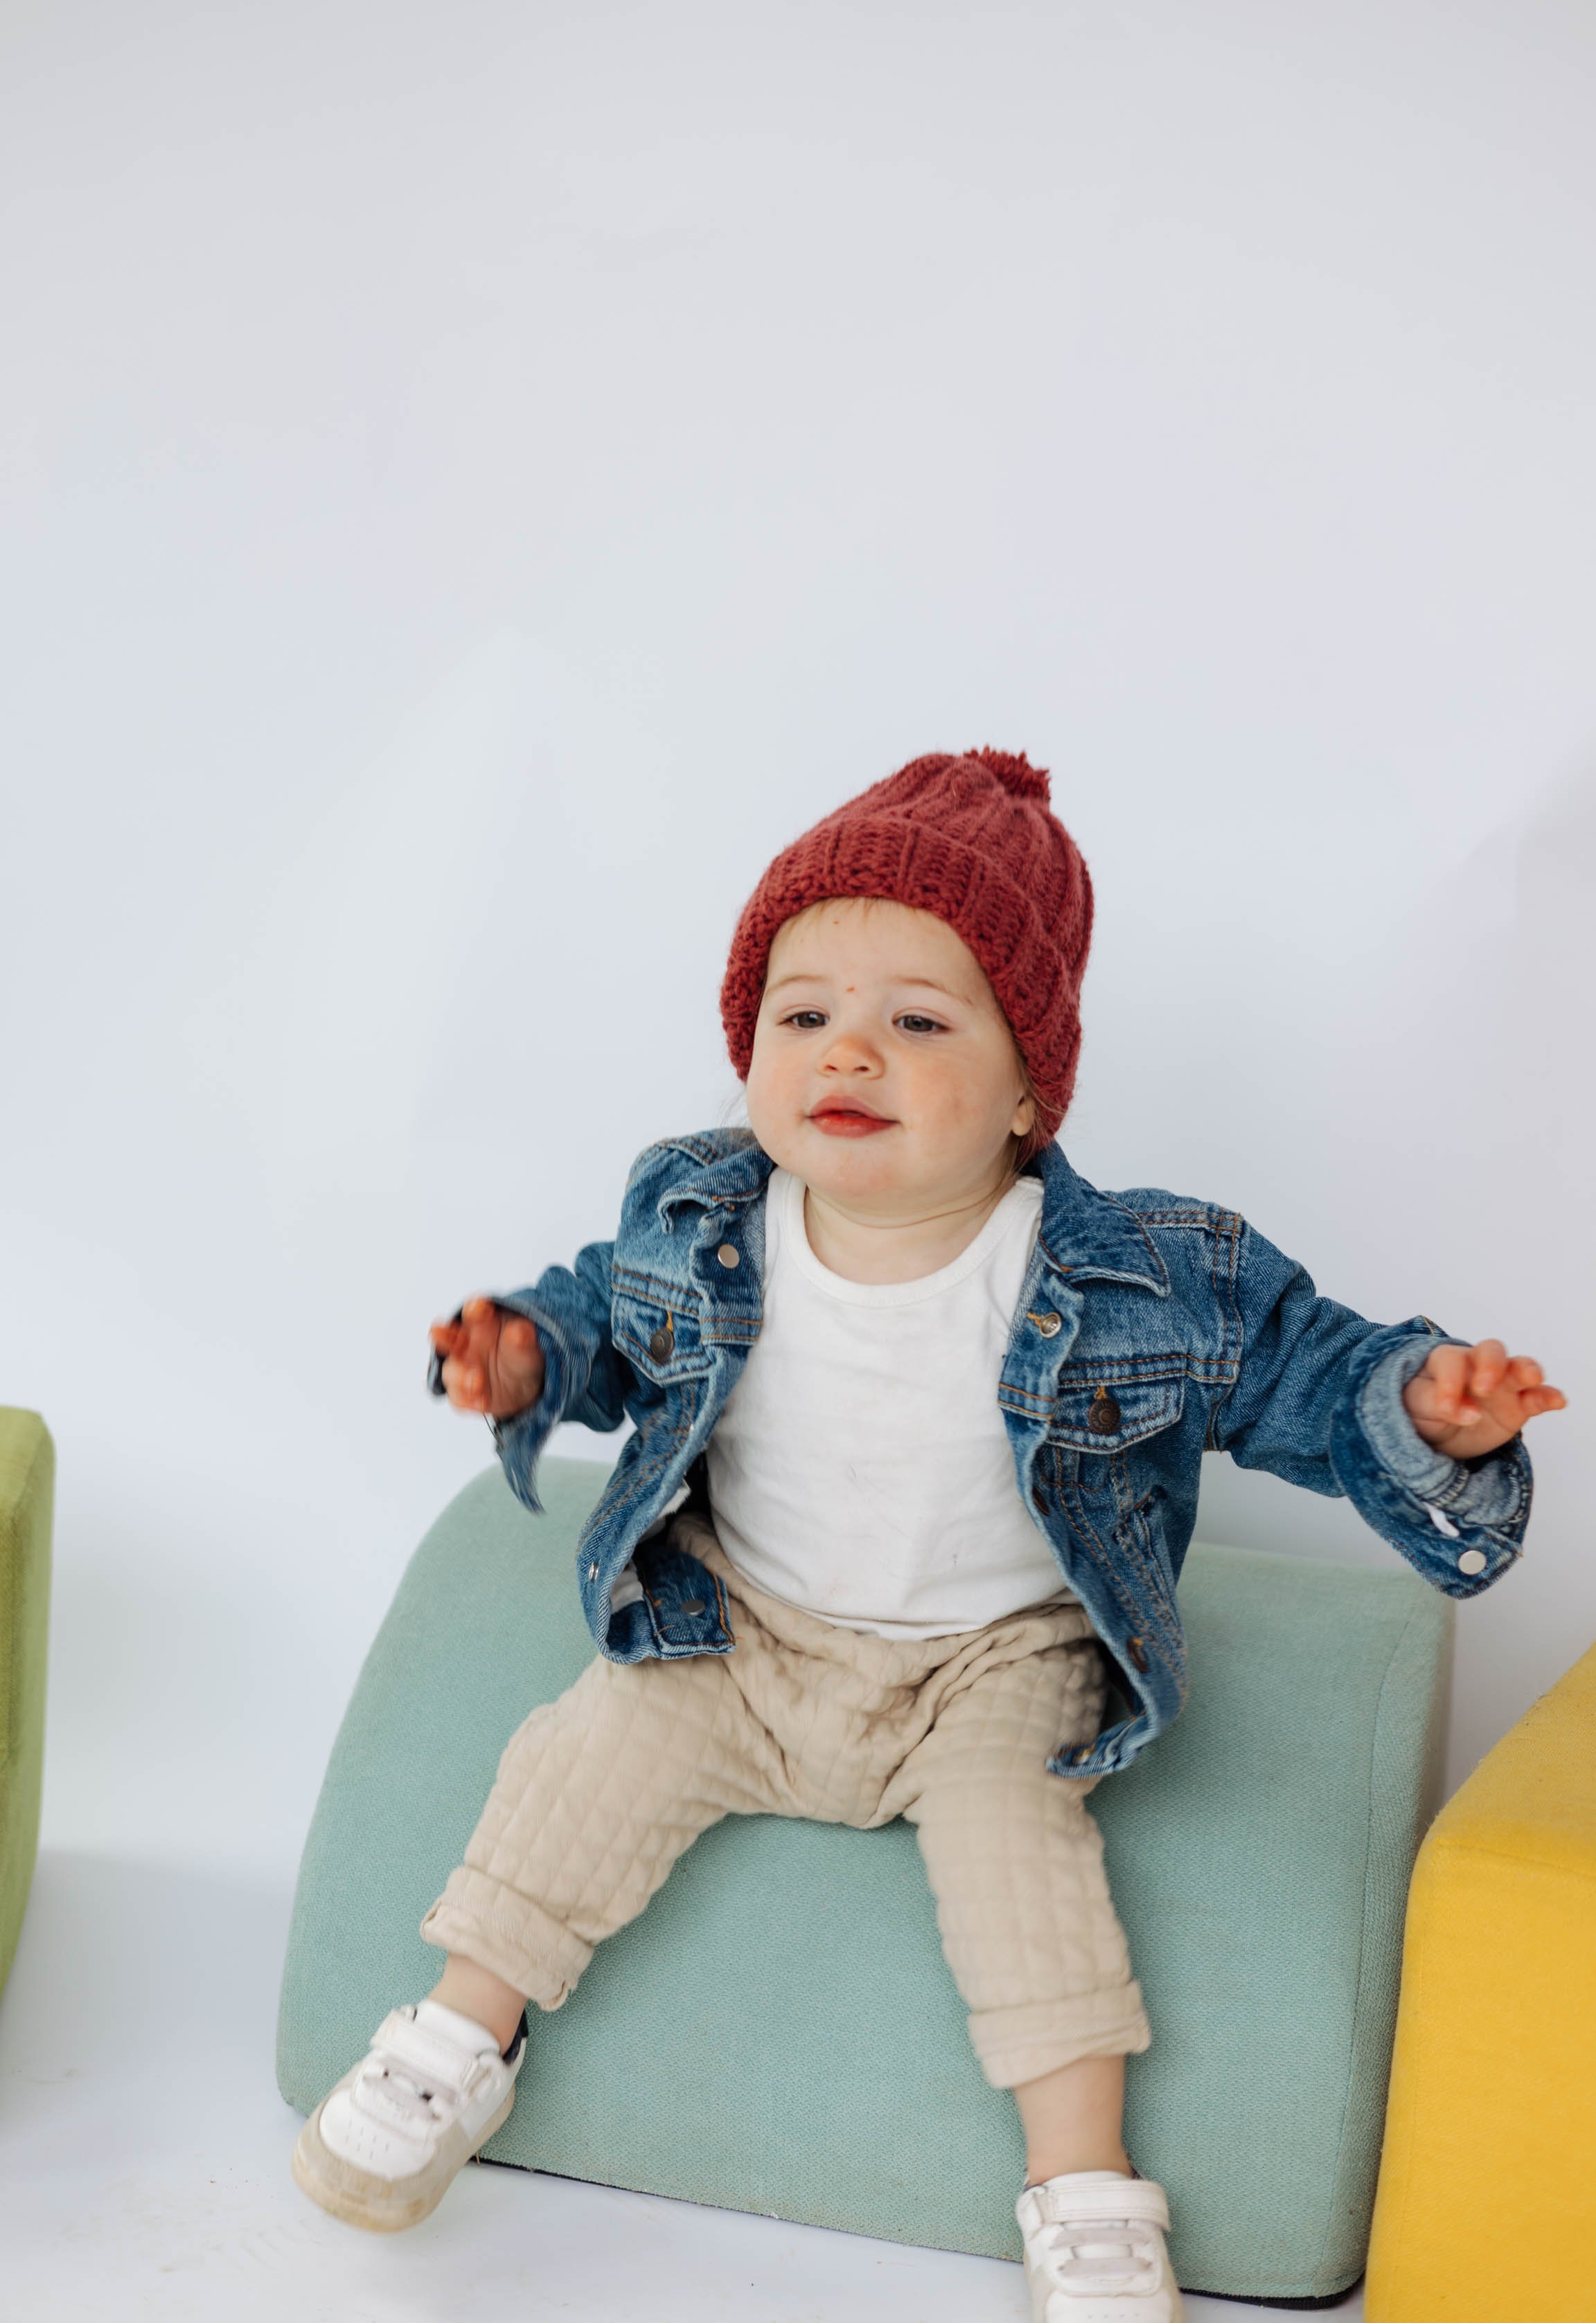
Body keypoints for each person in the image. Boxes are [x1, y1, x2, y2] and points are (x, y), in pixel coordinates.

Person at [291, 749, 1565, 2317]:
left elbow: (1302, 1365)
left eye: (918, 1021)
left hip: (996, 1661)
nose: (849, 1051)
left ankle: (1083, 2183)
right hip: (744, 1630)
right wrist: (526, 1358)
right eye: (803, 1017)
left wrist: (1421, 1408)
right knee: (578, 1762)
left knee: (1026, 1866)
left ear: (1030, 1093)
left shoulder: (1126, 1274)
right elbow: (601, 1318)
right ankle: (458, 2035)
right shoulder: (700, 1217)